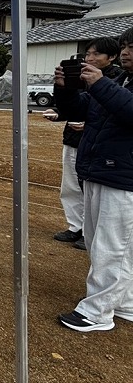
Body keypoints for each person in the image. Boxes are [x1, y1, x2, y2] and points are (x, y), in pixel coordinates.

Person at [54, 29, 133, 332]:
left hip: (123, 177)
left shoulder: (110, 83)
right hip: (102, 169)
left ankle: (97, 311)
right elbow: (79, 109)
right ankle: (124, 302)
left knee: (111, 247)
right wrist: (65, 89)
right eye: (124, 46)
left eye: (131, 47)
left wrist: (99, 84)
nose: (125, 52)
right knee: (110, 244)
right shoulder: (120, 80)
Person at [47, 37, 120, 252]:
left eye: (96, 54)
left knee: (90, 190)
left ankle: (90, 232)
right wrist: (59, 112)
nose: (90, 58)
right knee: (70, 186)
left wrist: (87, 124)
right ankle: (75, 226)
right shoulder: (79, 75)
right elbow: (77, 106)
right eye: (88, 53)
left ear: (111, 57)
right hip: (73, 139)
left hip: (97, 146)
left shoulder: (115, 79)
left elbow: (112, 112)